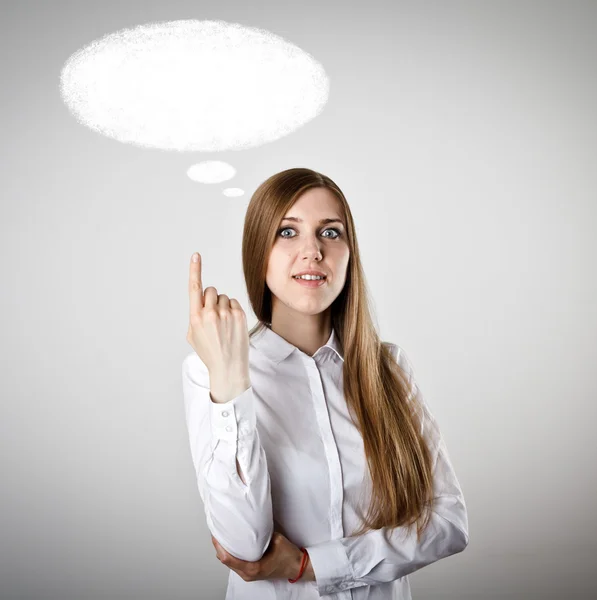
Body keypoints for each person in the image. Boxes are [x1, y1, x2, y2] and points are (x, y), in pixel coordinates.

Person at [182, 167, 469, 599]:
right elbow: (243, 546)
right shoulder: (209, 373)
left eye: (330, 233)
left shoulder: (388, 368)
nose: (312, 251)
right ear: (259, 251)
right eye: (287, 232)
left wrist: (310, 566)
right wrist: (231, 379)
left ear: (350, 253)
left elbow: (448, 523)